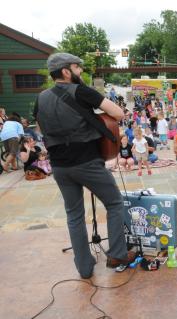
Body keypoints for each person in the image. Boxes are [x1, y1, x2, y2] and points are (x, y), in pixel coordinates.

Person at [34, 52, 135, 279]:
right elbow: (118, 113)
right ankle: (117, 254)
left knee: (74, 215)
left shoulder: (41, 98)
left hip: (60, 167)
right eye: (77, 68)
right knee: (115, 203)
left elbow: (40, 127)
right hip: (87, 162)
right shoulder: (82, 91)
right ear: (66, 72)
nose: (81, 72)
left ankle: (84, 267)